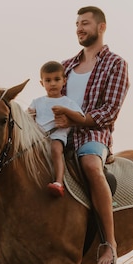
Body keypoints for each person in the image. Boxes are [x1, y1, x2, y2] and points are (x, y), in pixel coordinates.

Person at [53, 6, 129, 264]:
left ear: (101, 27)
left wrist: (73, 117)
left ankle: (109, 242)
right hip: (59, 132)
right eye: (77, 24)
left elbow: (109, 111)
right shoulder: (64, 67)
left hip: (94, 133)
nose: (79, 29)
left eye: (85, 23)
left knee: (90, 166)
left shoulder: (115, 64)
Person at [28, 60, 84, 197]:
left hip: (56, 135)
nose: (52, 83)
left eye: (56, 79)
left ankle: (59, 182)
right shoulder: (37, 101)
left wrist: (65, 111)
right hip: (38, 137)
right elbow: (28, 116)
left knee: (56, 149)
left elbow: (80, 117)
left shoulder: (67, 102)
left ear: (64, 81)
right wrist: (29, 115)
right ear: (42, 83)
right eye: (48, 80)